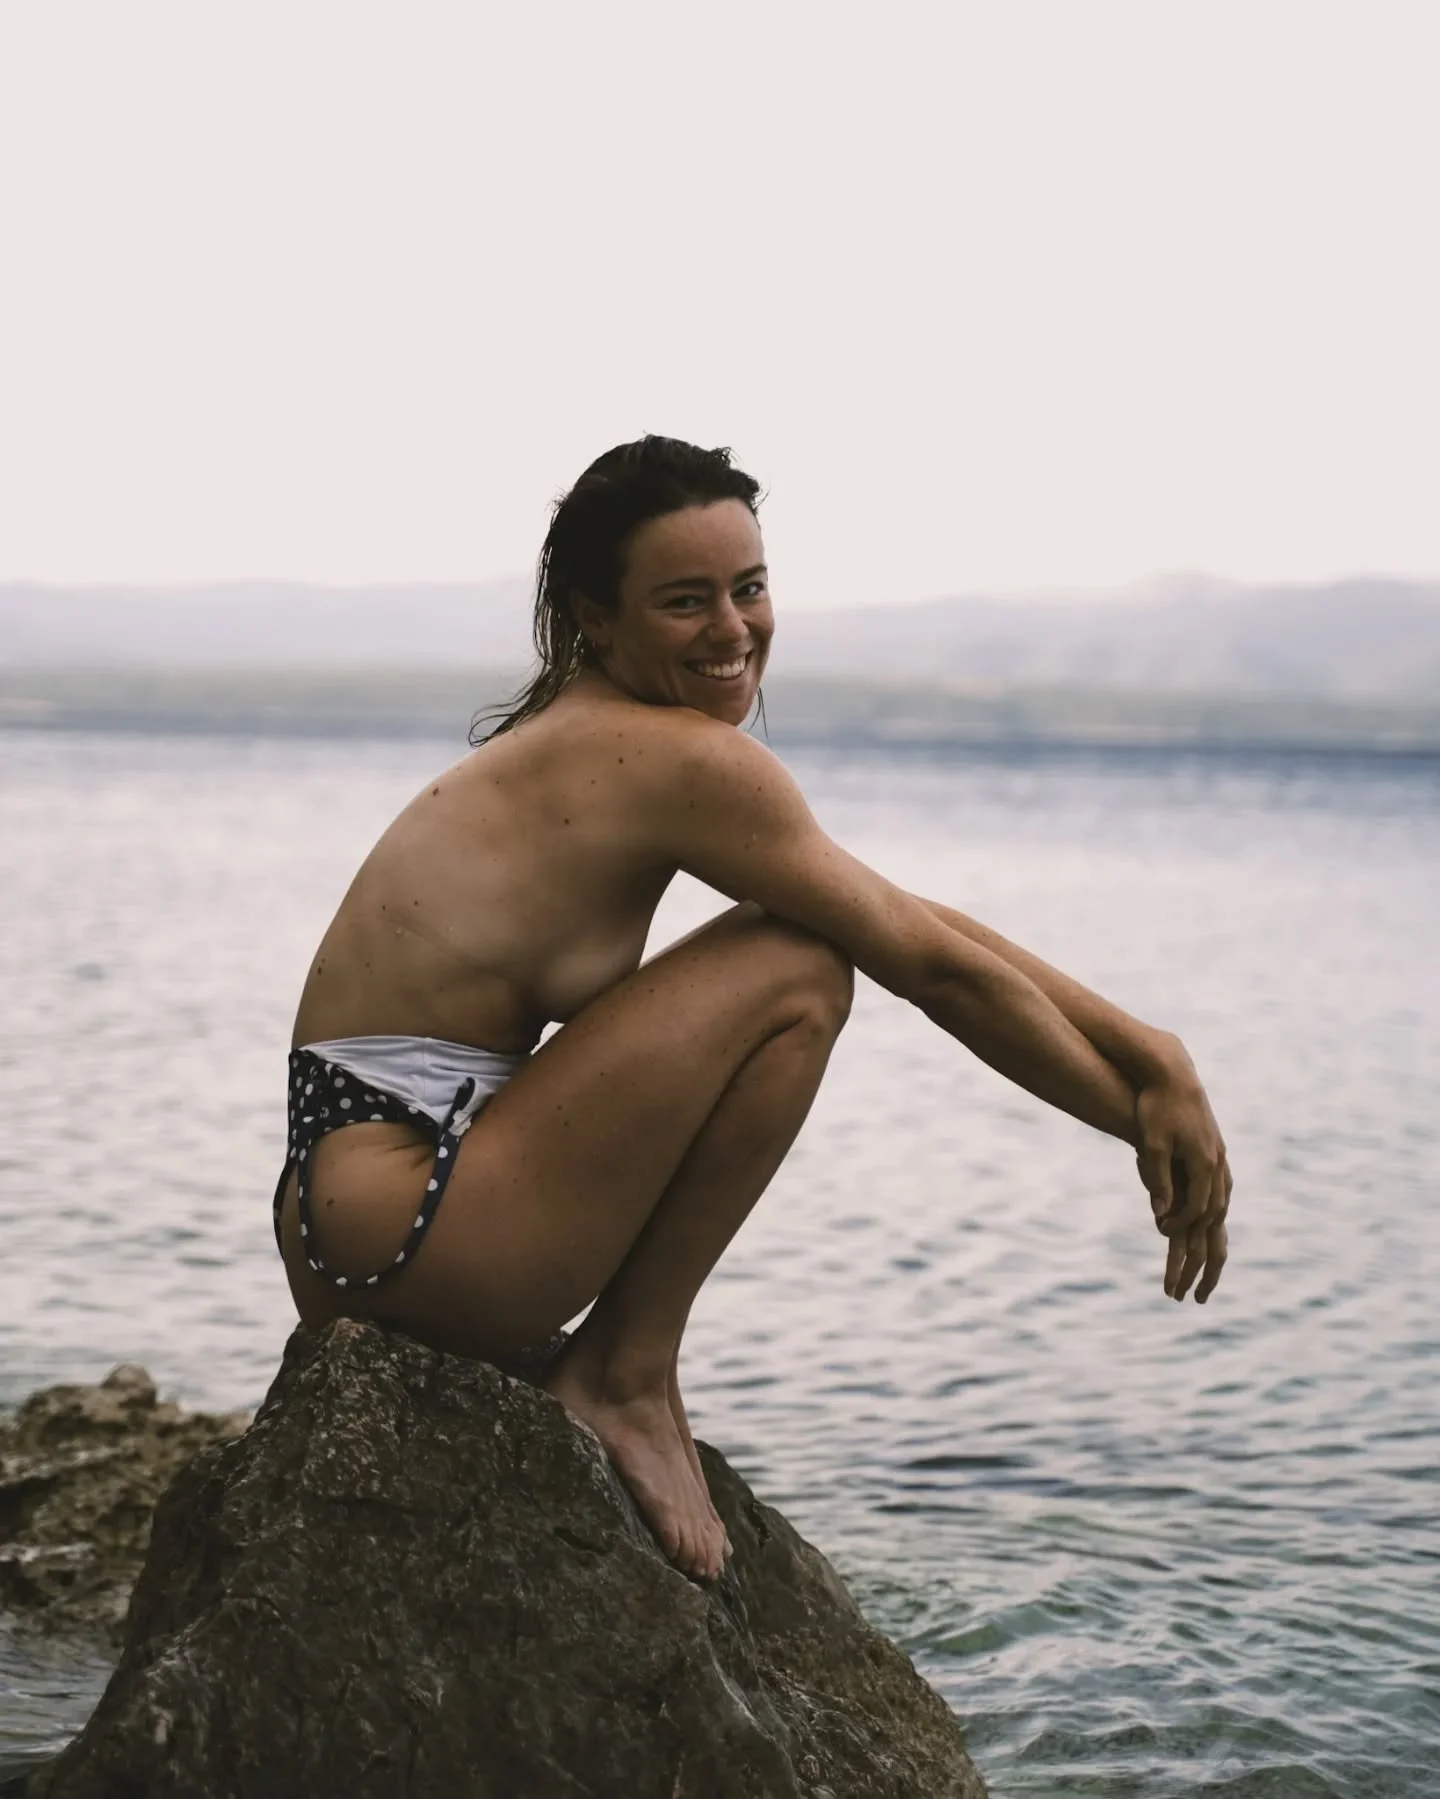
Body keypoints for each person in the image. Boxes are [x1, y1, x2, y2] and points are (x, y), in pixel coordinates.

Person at [274, 435, 1232, 1582]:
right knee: (799, 969)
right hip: (414, 1227)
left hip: (351, 1237)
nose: (733, 628)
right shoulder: (671, 757)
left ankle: (629, 1368)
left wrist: (1152, 1056)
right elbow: (925, 965)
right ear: (596, 618)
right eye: (686, 600)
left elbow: (900, 916)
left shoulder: (590, 738)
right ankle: (624, 1373)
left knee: (814, 933)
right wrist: (1142, 1124)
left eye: (750, 586)